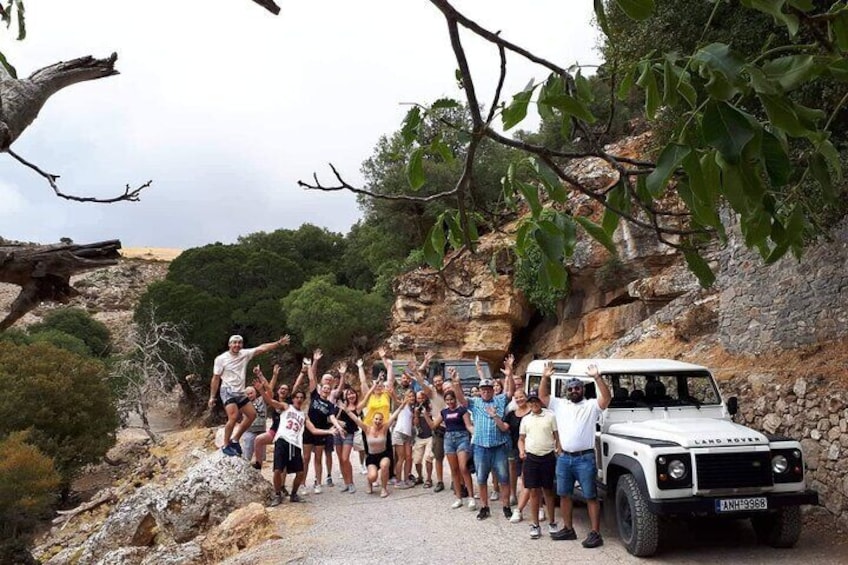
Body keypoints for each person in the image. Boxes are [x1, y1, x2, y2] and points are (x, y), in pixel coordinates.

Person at [540, 361, 611, 548]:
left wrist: (597, 377)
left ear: (583, 389)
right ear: (566, 391)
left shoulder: (591, 405)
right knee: (564, 494)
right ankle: (568, 529)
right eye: (570, 389)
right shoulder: (560, 404)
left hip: (584, 457)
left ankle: (596, 533)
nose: (574, 391)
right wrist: (545, 377)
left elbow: (606, 398)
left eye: (577, 388)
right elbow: (542, 397)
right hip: (564, 457)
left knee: (590, 495)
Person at [252, 372, 335, 506]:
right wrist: (261, 390)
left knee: (300, 472)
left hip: (295, 444)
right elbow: (271, 401)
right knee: (278, 470)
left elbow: (313, 429)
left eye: (302, 398)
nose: (299, 400)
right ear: (294, 398)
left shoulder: (303, 415)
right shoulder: (286, 407)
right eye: (297, 397)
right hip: (282, 440)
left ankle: (294, 494)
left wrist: (329, 431)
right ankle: (277, 494)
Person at [208, 334, 290, 456]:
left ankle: (235, 439)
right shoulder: (221, 359)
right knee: (234, 417)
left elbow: (262, 348)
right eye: (234, 342)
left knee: (252, 415)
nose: (237, 345)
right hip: (228, 390)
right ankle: (225, 445)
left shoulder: (244, 354)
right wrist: (212, 396)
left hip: (240, 391)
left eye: (239, 343)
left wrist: (278, 343)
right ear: (229, 344)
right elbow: (215, 378)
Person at [454, 357, 514, 521]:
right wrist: (456, 384)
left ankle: (506, 506)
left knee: (504, 478)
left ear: (493, 390)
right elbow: (461, 399)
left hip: (498, 446)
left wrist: (510, 374)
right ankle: (484, 507)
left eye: (488, 389)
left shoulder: (500, 400)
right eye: (483, 390)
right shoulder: (475, 402)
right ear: (480, 391)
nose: (486, 392)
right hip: (481, 447)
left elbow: (510, 392)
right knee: (481, 479)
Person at [342, 389, 407, 498]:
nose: (378, 421)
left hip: (383, 454)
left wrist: (402, 406)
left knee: (385, 465)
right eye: (376, 419)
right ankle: (369, 482)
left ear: (382, 420)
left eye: (380, 419)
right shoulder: (367, 428)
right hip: (372, 457)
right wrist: (346, 410)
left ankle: (384, 488)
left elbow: (394, 415)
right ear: (372, 419)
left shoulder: (385, 428)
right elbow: (356, 420)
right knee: (372, 476)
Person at [423, 379, 476, 510]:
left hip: (462, 438)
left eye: (452, 399)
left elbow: (468, 426)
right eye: (447, 400)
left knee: (463, 467)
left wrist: (475, 434)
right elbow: (434, 426)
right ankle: (458, 498)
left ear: (455, 399)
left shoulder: (462, 410)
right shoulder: (444, 412)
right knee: (454, 470)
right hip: (449, 440)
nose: (450, 402)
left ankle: (471, 497)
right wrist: (425, 415)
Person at [517, 388, 559, 539]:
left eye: (536, 401)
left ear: (540, 402)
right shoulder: (526, 419)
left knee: (548, 490)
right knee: (534, 492)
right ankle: (535, 525)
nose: (534, 404)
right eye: (531, 402)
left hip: (547, 457)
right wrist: (522, 451)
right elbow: (521, 439)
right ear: (528, 404)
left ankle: (552, 522)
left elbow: (556, 435)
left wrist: (558, 448)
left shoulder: (550, 416)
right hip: (531, 458)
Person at [303, 349, 346, 494]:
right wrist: (312, 363)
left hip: (321, 432)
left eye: (328, 388)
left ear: (330, 391)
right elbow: (311, 379)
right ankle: (302, 483)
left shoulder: (330, 405)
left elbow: (333, 418)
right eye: (324, 388)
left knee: (318, 458)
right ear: (321, 389)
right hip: (308, 430)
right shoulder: (314, 395)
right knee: (306, 458)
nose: (326, 390)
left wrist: (338, 428)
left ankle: (318, 483)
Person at [249, 363, 307, 471]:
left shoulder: (290, 402)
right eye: (282, 388)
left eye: (286, 389)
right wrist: (261, 374)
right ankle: (258, 464)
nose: (283, 390)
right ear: (278, 390)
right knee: (258, 440)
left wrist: (302, 373)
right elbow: (268, 387)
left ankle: (282, 484)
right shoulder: (273, 398)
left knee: (282, 465)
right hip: (274, 431)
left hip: (286, 433)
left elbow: (296, 385)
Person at [506, 388, 531, 521]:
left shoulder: (533, 411)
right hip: (515, 446)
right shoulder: (511, 414)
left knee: (526, 477)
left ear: (526, 397)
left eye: (521, 397)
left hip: (531, 447)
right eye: (517, 398)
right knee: (513, 471)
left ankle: (531, 506)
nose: (519, 399)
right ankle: (513, 495)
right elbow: (505, 427)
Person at [334, 374, 360, 493]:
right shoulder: (341, 406)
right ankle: (346, 483)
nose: (350, 395)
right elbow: (332, 418)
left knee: (345, 458)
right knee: (340, 459)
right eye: (348, 394)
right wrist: (341, 409)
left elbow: (353, 423)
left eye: (352, 393)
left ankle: (351, 483)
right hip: (338, 433)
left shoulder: (357, 407)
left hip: (348, 434)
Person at [411, 390, 434, 486]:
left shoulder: (431, 407)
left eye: (422, 398)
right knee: (417, 459)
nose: (421, 400)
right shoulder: (415, 408)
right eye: (419, 398)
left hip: (430, 436)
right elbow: (415, 424)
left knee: (428, 458)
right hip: (419, 436)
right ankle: (420, 477)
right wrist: (416, 414)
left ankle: (429, 479)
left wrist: (426, 414)